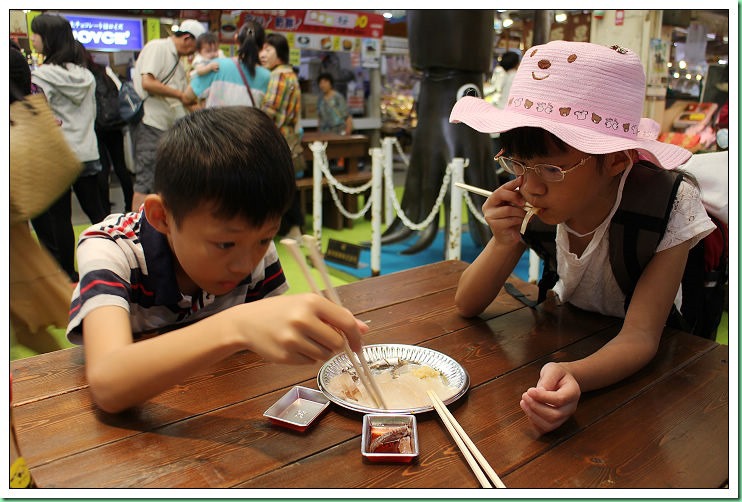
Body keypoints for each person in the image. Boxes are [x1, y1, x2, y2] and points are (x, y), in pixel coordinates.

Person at [449, 41, 715, 435]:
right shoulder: (536, 191)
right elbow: (467, 304)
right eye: (516, 162)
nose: (530, 187)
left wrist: (574, 373)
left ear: (615, 160)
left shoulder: (669, 204)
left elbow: (641, 338)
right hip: (571, 331)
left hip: (660, 375)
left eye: (551, 170)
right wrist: (503, 240)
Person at [67, 107, 369, 413]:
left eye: (265, 238)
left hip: (221, 408)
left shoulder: (252, 247)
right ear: (162, 216)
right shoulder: (111, 248)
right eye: (225, 243)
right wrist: (237, 326)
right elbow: (108, 384)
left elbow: (265, 348)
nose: (245, 264)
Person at [29, 14, 108, 282]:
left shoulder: (41, 76)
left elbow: (41, 116)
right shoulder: (86, 74)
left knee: (61, 219)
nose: (33, 39)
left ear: (47, 38)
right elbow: (92, 114)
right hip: (88, 150)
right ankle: (113, 259)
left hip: (59, 155)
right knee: (97, 213)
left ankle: (68, 274)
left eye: (35, 34)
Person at [130, 19, 205, 211]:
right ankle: (137, 234)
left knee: (158, 182)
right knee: (146, 181)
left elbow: (183, 103)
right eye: (195, 47)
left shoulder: (177, 62)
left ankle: (152, 228)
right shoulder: (159, 47)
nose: (193, 53)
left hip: (165, 127)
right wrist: (181, 95)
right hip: (151, 123)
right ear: (187, 39)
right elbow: (148, 82)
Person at [259, 32, 304, 239]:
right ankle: (294, 227)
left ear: (280, 53)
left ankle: (289, 227)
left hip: (277, 138)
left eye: (268, 50)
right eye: (262, 49)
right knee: (288, 184)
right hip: (290, 137)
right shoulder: (292, 75)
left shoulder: (277, 75)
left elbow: (270, 111)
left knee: (279, 186)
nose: (262, 54)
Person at [80, 44, 134, 213]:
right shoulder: (105, 71)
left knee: (102, 170)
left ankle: (105, 211)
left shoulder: (82, 76)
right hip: (114, 125)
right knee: (121, 167)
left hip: (96, 127)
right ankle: (129, 205)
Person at [185, 20, 270, 109]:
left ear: (236, 38)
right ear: (263, 45)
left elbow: (187, 98)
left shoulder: (216, 66)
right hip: (248, 123)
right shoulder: (268, 76)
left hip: (215, 122)